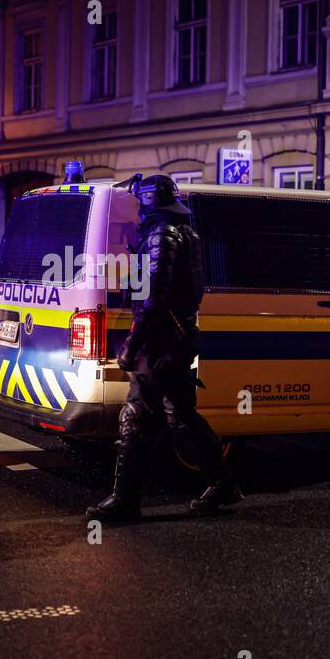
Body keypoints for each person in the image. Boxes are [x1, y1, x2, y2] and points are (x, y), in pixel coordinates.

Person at [86, 175, 240, 522]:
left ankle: (125, 499)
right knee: (182, 415)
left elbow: (154, 299)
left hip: (161, 341)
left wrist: (130, 346)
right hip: (179, 337)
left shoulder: (162, 235)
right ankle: (223, 483)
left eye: (141, 202)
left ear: (151, 202)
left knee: (137, 416)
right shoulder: (186, 233)